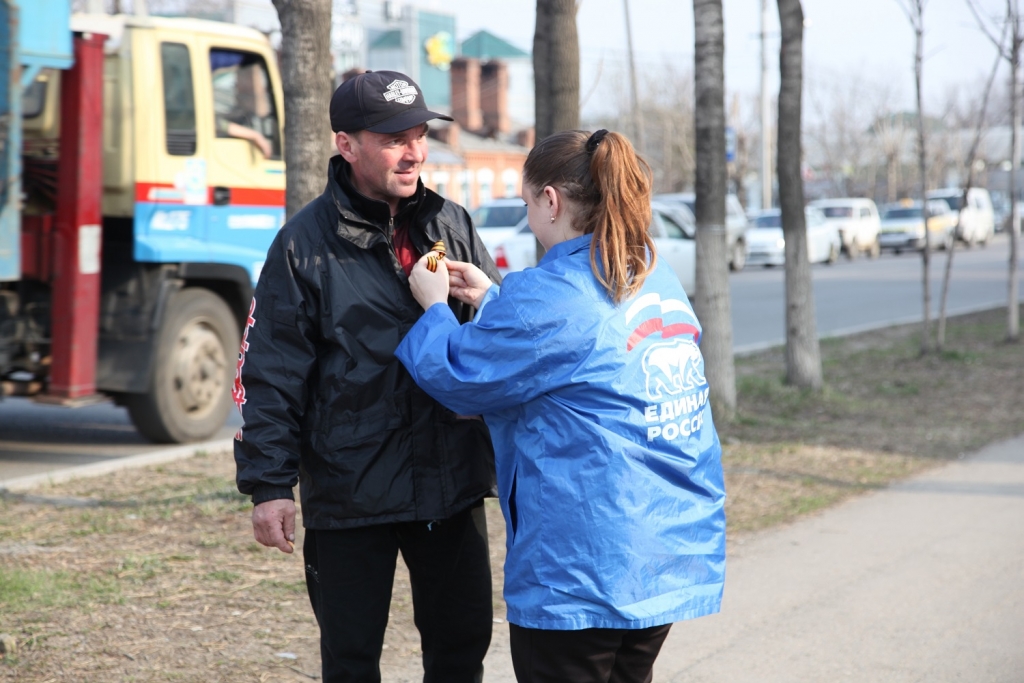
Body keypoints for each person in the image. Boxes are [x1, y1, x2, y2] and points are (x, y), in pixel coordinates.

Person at [395, 129, 726, 683]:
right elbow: (585, 353)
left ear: (552, 200)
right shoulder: (649, 271)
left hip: (585, 566)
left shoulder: (550, 294)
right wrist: (495, 299)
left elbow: (459, 376)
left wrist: (434, 308)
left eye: (528, 203)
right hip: (666, 552)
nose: (528, 218)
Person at [233, 70, 501, 683]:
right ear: (346, 145)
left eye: (418, 134)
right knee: (351, 662)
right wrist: (269, 485)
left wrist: (492, 302)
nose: (413, 152)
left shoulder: (452, 223)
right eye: (392, 139)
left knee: (461, 654)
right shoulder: (302, 245)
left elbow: (498, 346)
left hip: (451, 483)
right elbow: (270, 375)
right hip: (349, 493)